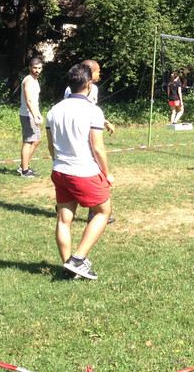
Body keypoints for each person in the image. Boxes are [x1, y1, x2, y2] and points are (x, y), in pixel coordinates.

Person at [46, 63, 114, 280]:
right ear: (89, 84)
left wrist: (59, 164)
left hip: (59, 171)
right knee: (103, 212)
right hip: (84, 172)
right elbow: (98, 147)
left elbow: (51, 147)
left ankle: (68, 268)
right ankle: (77, 259)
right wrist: (106, 173)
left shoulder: (53, 110)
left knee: (64, 219)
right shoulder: (93, 111)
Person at [64, 59, 115, 134]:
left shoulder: (94, 88)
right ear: (91, 72)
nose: (99, 74)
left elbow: (91, 111)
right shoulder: (72, 88)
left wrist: (104, 121)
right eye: (98, 72)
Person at [18, 57, 44, 177]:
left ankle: (23, 166)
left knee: (37, 139)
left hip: (33, 114)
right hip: (27, 115)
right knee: (28, 141)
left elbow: (34, 100)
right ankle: (24, 171)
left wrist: (38, 114)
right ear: (30, 68)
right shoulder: (28, 80)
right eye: (35, 68)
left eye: (39, 68)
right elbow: (28, 100)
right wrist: (34, 116)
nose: (37, 70)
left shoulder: (35, 80)